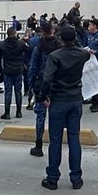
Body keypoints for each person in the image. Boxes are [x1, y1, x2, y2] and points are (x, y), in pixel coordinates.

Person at [39, 27, 90, 191]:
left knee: (55, 140)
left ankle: (52, 178)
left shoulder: (55, 56)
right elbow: (86, 51)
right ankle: (76, 178)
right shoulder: (82, 54)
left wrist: (43, 96)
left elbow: (47, 79)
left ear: (60, 39)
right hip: (75, 98)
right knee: (74, 138)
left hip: (59, 99)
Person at [27, 21, 62, 157]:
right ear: (53, 31)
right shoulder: (60, 46)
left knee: (40, 116)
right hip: (57, 85)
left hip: (41, 84)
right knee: (55, 117)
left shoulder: (39, 46)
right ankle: (54, 145)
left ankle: (38, 144)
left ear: (42, 32)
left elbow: (33, 67)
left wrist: (31, 84)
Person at [0, 28, 28, 119]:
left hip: (7, 69)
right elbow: (27, 49)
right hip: (18, 69)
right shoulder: (20, 44)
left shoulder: (2, 44)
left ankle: (7, 113)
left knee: (8, 92)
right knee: (18, 91)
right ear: (15, 34)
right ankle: (18, 112)